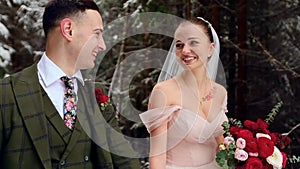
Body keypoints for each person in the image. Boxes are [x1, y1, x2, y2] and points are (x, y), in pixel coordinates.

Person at [0, 0, 140, 168]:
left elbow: (125, 161)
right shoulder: (7, 93)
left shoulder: (96, 96)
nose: (102, 45)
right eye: (97, 34)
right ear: (68, 30)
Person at [139, 17, 228, 169]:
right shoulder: (164, 92)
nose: (185, 51)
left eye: (193, 42)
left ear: (210, 48)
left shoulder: (219, 92)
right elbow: (157, 158)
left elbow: (222, 147)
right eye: (179, 45)